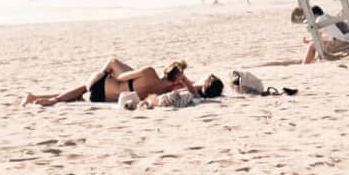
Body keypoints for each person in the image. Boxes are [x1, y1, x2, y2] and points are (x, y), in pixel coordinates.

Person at [23, 59, 224, 106]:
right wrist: (185, 80)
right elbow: (196, 92)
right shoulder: (170, 91)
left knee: (91, 83)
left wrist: (118, 74)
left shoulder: (149, 72)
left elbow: (114, 67)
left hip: (99, 84)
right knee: (83, 92)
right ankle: (46, 98)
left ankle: (51, 99)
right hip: (102, 99)